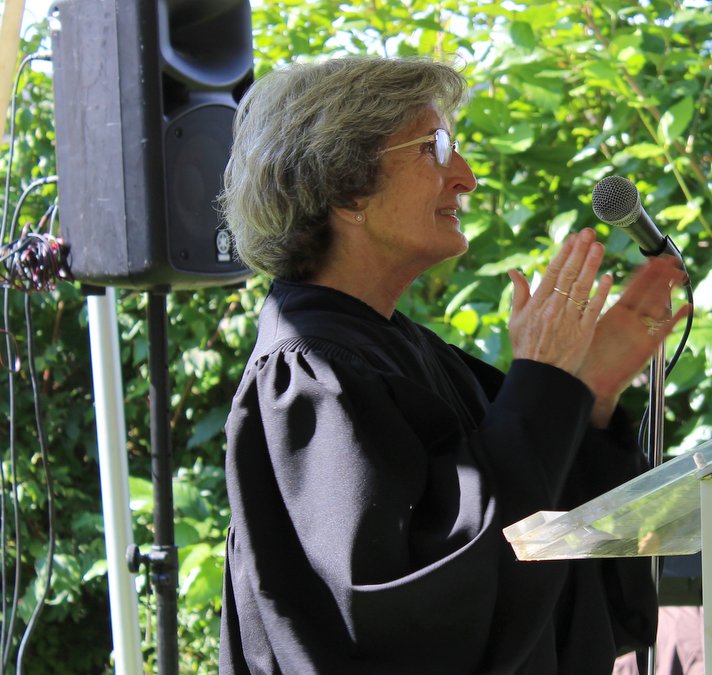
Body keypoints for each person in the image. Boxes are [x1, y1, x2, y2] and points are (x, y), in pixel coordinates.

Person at [216, 55, 688, 674]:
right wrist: (544, 385)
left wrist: (586, 400)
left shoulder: (412, 355)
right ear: (346, 186)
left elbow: (562, 576)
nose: (465, 178)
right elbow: (408, 621)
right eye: (434, 148)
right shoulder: (309, 378)